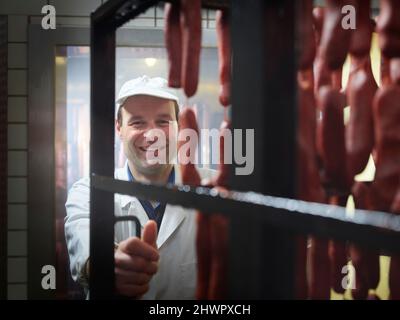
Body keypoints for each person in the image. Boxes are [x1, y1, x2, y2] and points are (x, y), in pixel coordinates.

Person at [65, 75, 213, 299]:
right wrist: (110, 266)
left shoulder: (213, 189)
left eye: (163, 121)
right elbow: (85, 247)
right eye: (137, 122)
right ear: (119, 128)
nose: (152, 134)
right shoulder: (87, 191)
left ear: (179, 127)